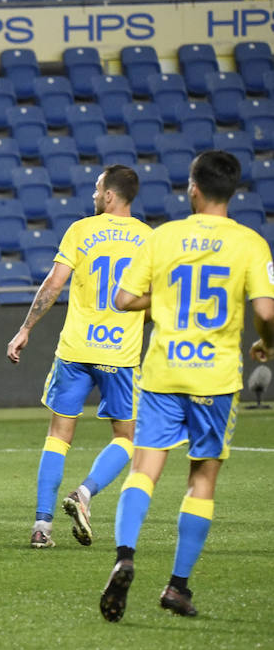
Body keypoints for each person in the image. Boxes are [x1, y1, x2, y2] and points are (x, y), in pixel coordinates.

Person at [99, 149, 274, 622]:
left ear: (192, 188)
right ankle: (177, 586)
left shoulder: (164, 237)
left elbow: (124, 297)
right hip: (215, 380)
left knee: (144, 468)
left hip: (162, 372)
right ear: (231, 191)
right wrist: (266, 345)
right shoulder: (252, 244)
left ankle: (125, 554)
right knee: (202, 479)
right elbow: (266, 312)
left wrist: (168, 295)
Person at [6, 165, 152, 550]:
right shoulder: (149, 239)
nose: (92, 195)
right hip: (119, 353)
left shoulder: (81, 231)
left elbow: (54, 283)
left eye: (96, 188)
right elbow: (156, 299)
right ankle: (85, 492)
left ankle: (41, 527)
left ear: (109, 196)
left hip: (75, 349)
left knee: (58, 436)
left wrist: (26, 329)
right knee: (128, 438)